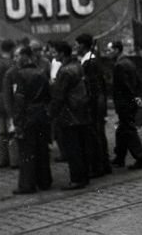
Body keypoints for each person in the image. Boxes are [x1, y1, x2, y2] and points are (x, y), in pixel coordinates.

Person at [7, 46, 53, 194]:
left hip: (27, 116)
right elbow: (48, 96)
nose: (16, 59)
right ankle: (45, 181)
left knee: (26, 151)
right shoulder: (41, 73)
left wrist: (17, 122)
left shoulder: (20, 75)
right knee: (42, 149)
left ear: (24, 58)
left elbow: (19, 100)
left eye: (17, 56)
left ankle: (27, 185)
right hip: (41, 115)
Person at [48, 41, 92, 190]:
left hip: (69, 114)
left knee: (72, 148)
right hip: (81, 112)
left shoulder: (65, 71)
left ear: (61, 53)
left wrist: (52, 113)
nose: (53, 55)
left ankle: (77, 179)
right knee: (81, 146)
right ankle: (84, 176)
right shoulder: (77, 65)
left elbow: (59, 96)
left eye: (55, 52)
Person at [107, 41, 142, 171]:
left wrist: (129, 100)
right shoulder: (128, 62)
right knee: (122, 129)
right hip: (128, 102)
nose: (108, 53)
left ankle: (141, 158)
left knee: (128, 130)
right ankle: (120, 157)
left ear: (117, 50)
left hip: (125, 103)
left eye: (110, 50)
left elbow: (125, 86)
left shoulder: (119, 65)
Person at [76, 33, 111, 178]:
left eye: (77, 44)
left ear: (83, 45)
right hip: (97, 100)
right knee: (98, 133)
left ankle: (99, 166)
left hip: (94, 101)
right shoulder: (91, 59)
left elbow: (92, 86)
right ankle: (104, 164)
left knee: (95, 133)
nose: (76, 47)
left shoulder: (90, 62)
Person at [0, 39, 16, 168]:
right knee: (12, 128)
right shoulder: (12, 64)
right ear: (12, 49)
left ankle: (2, 160)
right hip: (9, 97)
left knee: (1, 130)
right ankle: (14, 160)